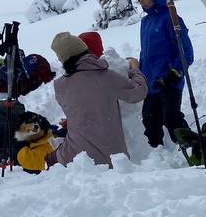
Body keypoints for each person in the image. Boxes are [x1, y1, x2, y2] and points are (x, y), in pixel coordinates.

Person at [44, 31, 147, 168]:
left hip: (74, 155)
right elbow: (139, 92)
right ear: (86, 50)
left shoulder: (60, 86)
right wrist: (134, 69)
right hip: (111, 156)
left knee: (49, 161)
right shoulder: (106, 77)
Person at [132, 0, 194, 148]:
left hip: (169, 80)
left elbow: (186, 52)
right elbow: (147, 53)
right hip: (151, 82)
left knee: (171, 118)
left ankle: (194, 148)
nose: (143, 2)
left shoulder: (171, 18)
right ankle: (156, 155)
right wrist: (140, 72)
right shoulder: (145, 22)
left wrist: (174, 73)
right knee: (150, 121)